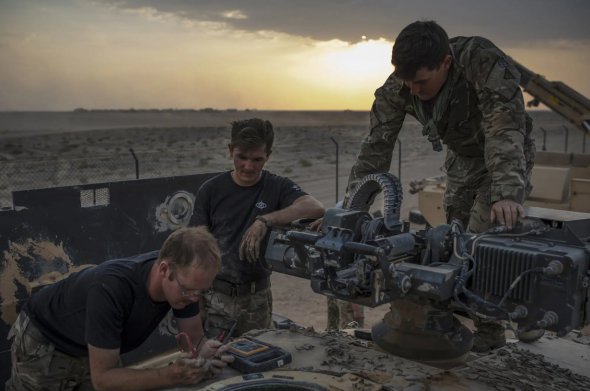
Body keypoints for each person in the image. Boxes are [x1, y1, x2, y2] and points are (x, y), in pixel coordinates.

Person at [343, 21, 535, 351]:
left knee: (481, 242)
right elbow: (376, 147)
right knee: (450, 241)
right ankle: (449, 321)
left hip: (504, 155)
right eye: (408, 82)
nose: (414, 90)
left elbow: (504, 130)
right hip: (462, 159)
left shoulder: (482, 61)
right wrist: (349, 211)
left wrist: (505, 193)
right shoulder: (400, 86)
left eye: (421, 81)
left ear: (445, 63)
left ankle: (494, 330)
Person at [6, 226, 234, 391]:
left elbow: (193, 340)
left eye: (201, 292)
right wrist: (170, 375)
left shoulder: (184, 283)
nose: (194, 298)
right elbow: (104, 380)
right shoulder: (112, 288)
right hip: (46, 339)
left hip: (92, 343)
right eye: (189, 290)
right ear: (164, 269)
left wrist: (204, 350)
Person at [191, 118, 325, 339]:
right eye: (241, 157)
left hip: (257, 300)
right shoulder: (211, 190)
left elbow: (314, 207)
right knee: (217, 366)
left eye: (257, 159)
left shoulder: (276, 186)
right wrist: (198, 307)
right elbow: (197, 251)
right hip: (215, 300)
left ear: (268, 156)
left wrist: (265, 220)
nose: (248, 166)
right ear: (230, 150)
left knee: (259, 358)